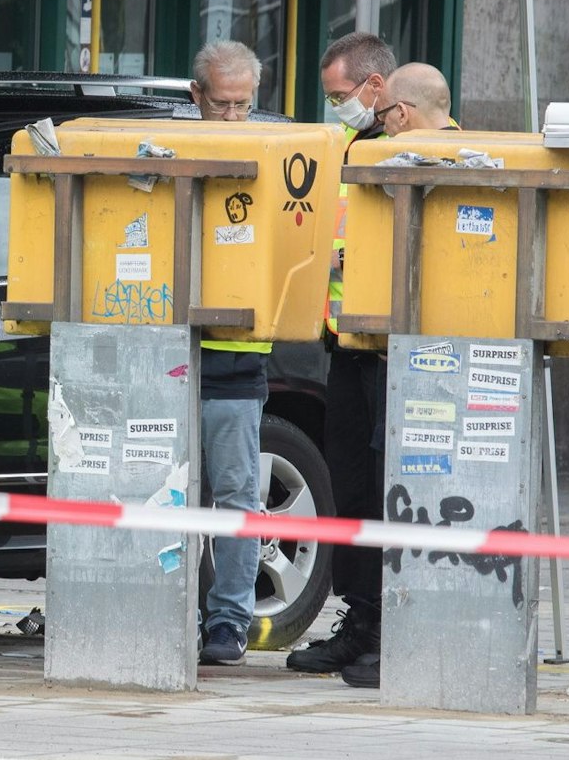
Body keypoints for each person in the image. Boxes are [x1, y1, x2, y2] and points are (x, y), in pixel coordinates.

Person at [288, 40, 459, 689]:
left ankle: (401, 631)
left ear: (404, 107)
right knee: (354, 491)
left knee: (406, 496)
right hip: (351, 348)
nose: (369, 117)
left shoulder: (457, 159)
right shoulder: (362, 153)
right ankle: (362, 620)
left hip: (412, 356)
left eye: (378, 108)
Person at [186, 40, 274, 666]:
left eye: (244, 105)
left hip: (237, 359)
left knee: (237, 498)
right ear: (196, 97)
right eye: (223, 105)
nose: (234, 117)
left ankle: (228, 623)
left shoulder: (275, 157)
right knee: (165, 496)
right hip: (167, 357)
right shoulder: (171, 153)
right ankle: (168, 610)